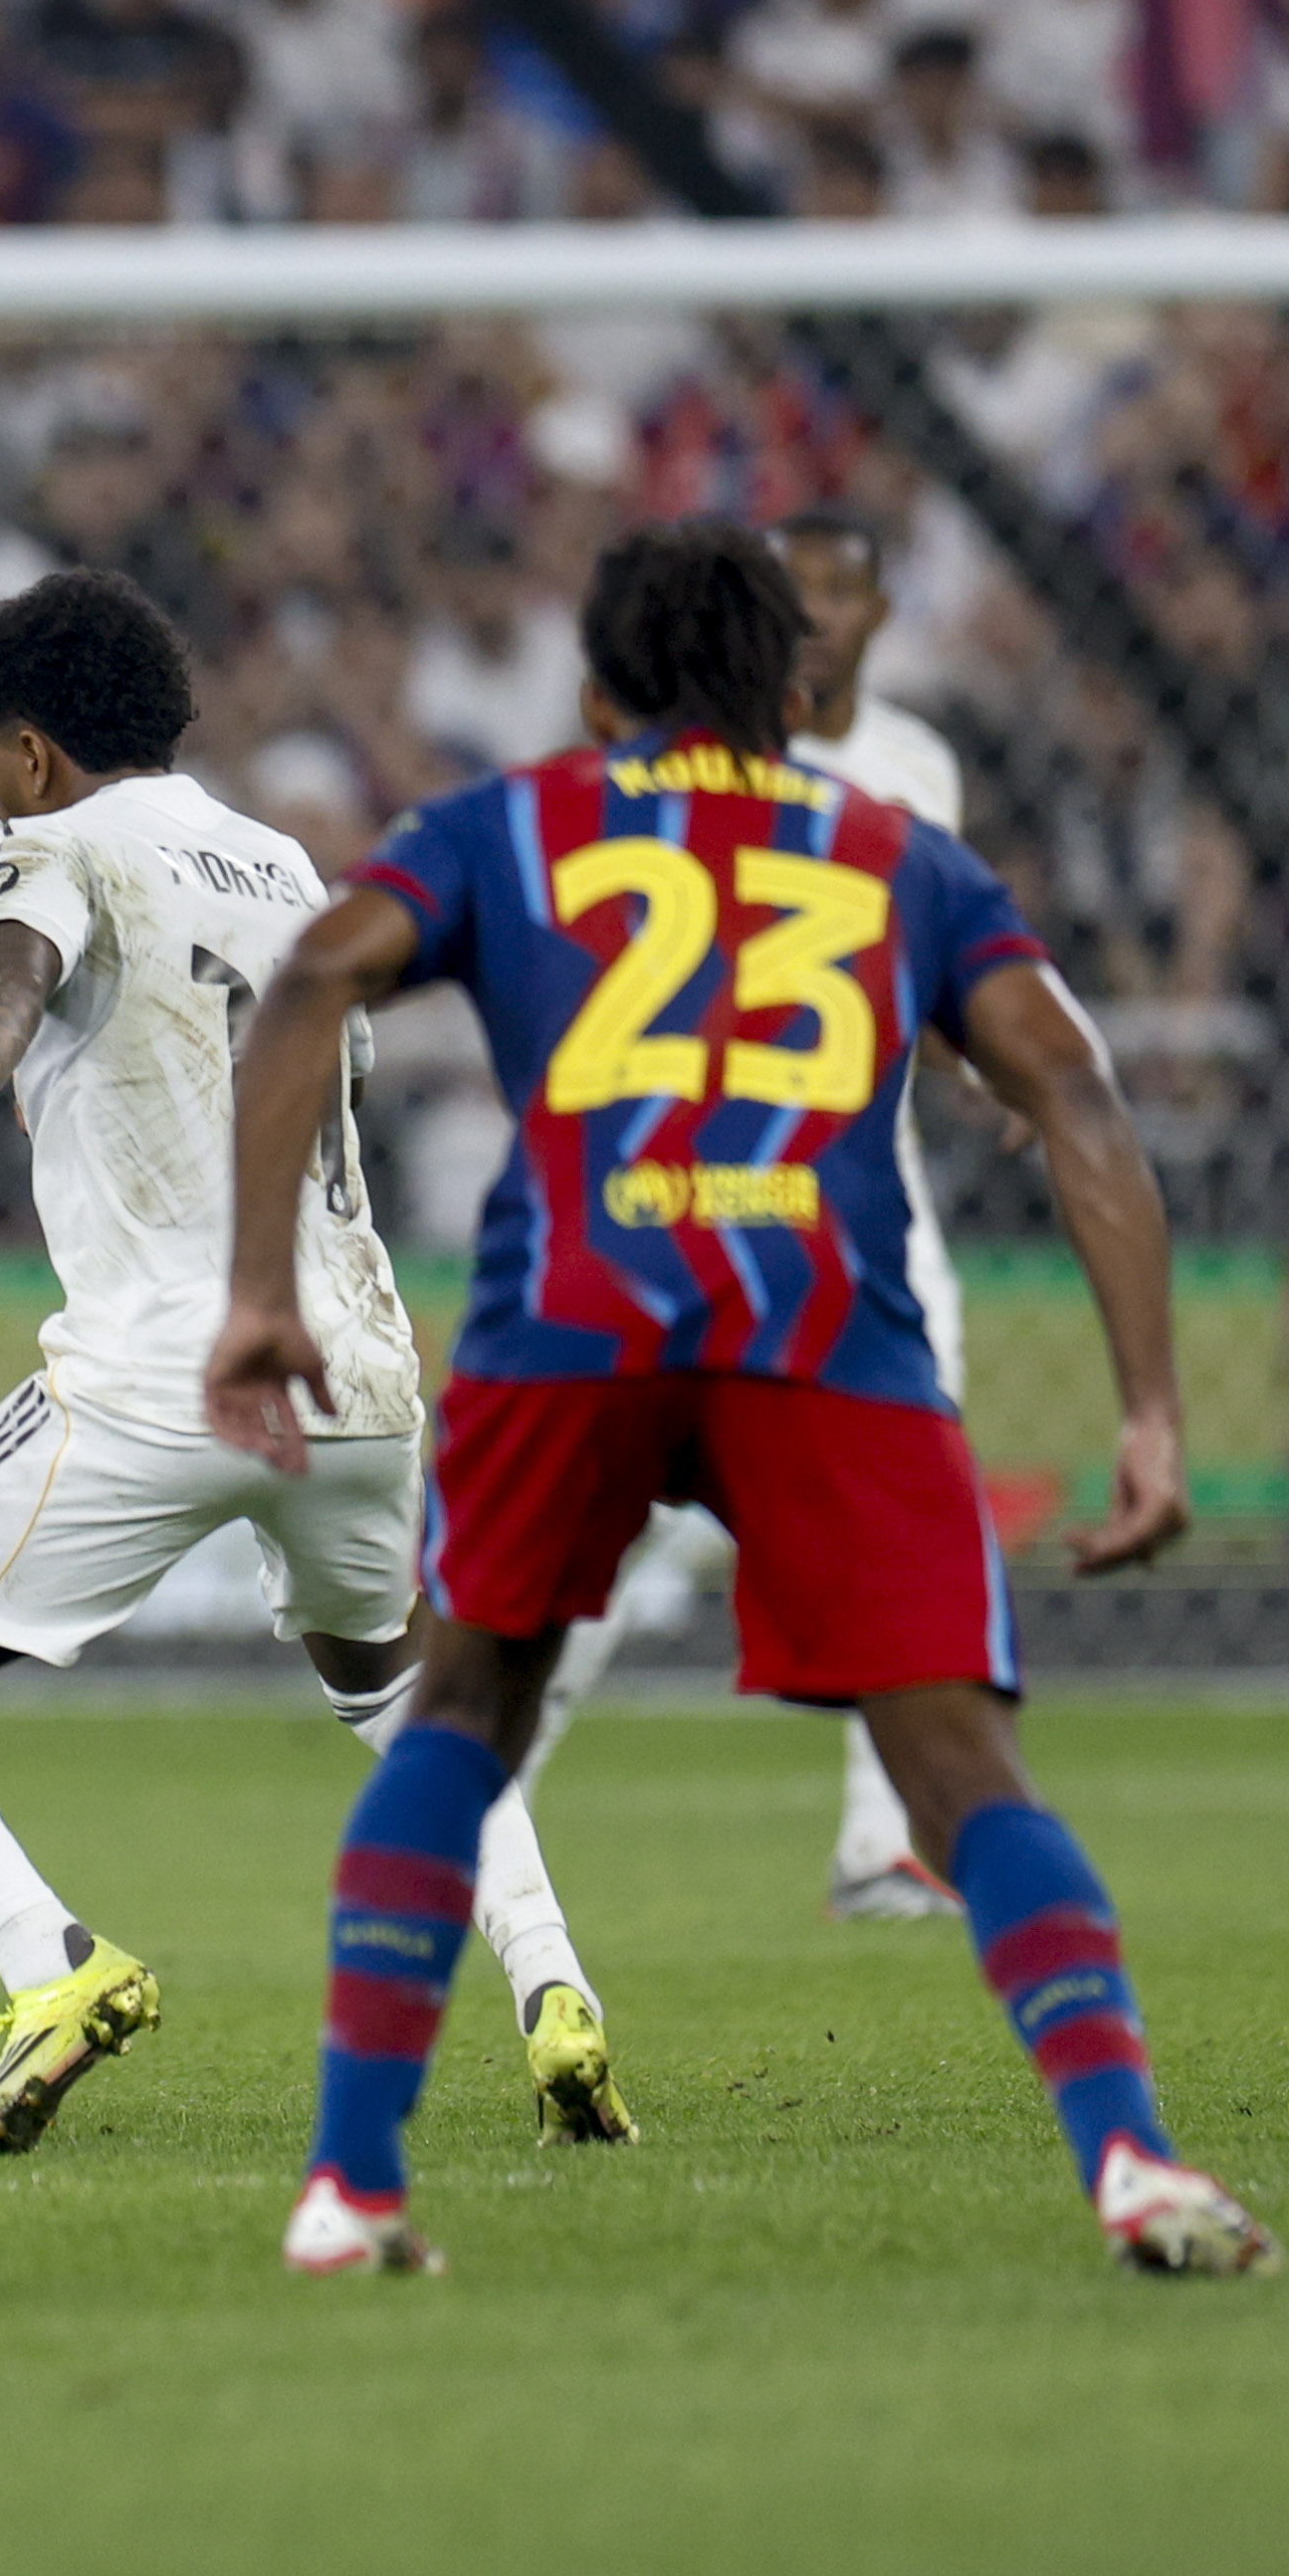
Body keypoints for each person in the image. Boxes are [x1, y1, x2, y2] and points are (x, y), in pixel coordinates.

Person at [205, 518, 1275, 2280]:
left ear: (597, 686)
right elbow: (1073, 1095)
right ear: (795, 688)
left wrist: (258, 1292)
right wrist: (1146, 1409)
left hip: (573, 1314)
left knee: (462, 1715)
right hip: (821, 1331)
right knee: (955, 1772)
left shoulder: (510, 821)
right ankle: (1131, 2162)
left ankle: (351, 2187)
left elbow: (317, 973)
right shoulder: (892, 854)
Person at [0, 569, 634, 2162]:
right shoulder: (288, 866)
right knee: (404, 1697)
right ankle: (556, 1986)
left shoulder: (51, 843)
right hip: (359, 1371)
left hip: (165, 1367)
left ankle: (55, 1969)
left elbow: (3, 973)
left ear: (27, 754)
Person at [472, 505, 983, 1963]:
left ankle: (890, 1840)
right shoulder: (691, 768)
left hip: (871, 1188)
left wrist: (980, 1058)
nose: (820, 614)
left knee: (913, 1485)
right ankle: (486, 1797)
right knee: (609, 1537)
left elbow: (926, 962)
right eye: (795, 590)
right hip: (703, 1183)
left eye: (843, 585)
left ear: (886, 610)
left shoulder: (915, 765)